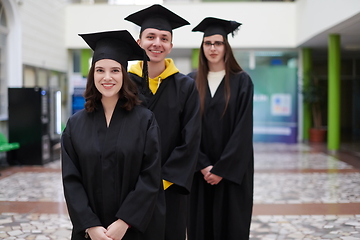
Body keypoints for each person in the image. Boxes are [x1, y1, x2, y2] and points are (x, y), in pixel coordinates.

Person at [61, 30, 165, 240]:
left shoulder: (145, 120)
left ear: (124, 75)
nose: (107, 77)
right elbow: (71, 181)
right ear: (93, 75)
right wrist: (90, 226)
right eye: (100, 70)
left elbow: (150, 176)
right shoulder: (76, 124)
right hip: (90, 232)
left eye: (115, 70)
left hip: (134, 229)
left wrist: (125, 221)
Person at [124, 4, 201, 240]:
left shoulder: (186, 86)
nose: (157, 43)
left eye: (164, 38)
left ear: (170, 46)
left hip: (169, 187)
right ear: (139, 42)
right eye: (150, 37)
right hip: (130, 185)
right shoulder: (124, 82)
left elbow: (191, 137)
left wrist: (163, 179)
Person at [187, 17, 254, 240]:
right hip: (200, 173)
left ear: (226, 46)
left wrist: (221, 169)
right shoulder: (190, 82)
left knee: (232, 226)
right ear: (202, 46)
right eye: (208, 43)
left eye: (218, 43)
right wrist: (203, 165)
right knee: (200, 226)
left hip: (232, 173)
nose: (213, 48)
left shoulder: (242, 81)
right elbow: (186, 128)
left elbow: (243, 130)